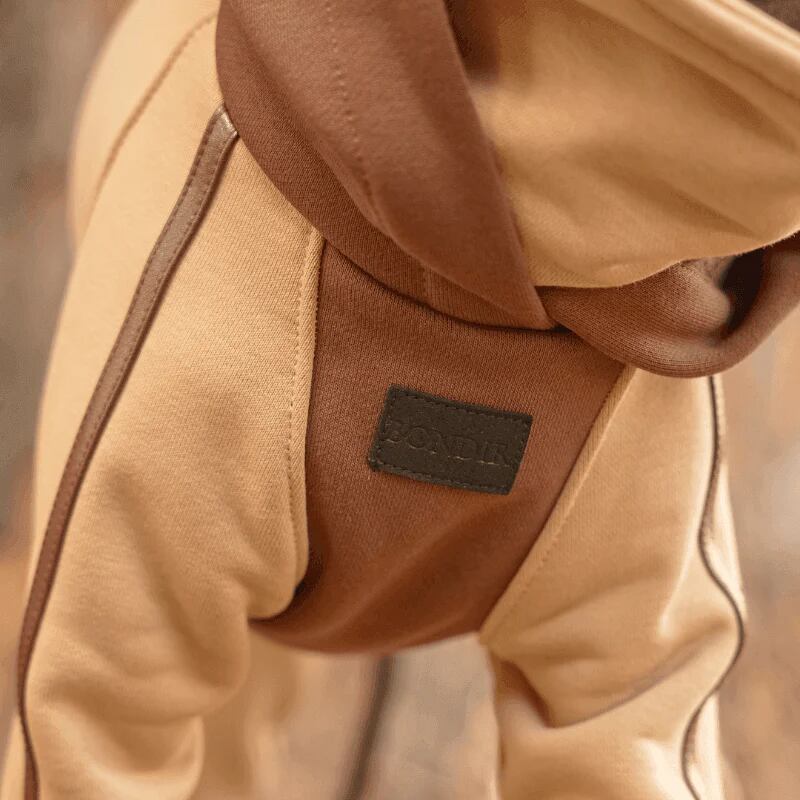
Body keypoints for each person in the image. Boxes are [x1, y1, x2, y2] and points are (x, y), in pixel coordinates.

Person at [3, 0, 800, 797]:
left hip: (230, 291)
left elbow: (98, 715)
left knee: (151, 672)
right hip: (607, 370)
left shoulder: (202, 318)